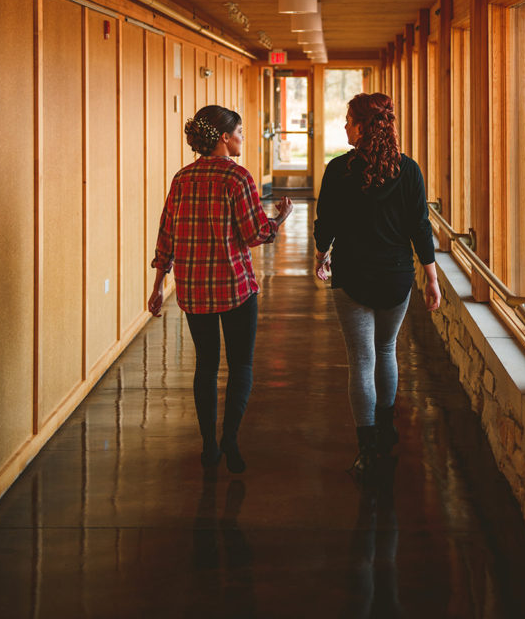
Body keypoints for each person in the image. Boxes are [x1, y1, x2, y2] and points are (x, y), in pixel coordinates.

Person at [149, 104, 293, 473]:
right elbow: (254, 233)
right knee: (241, 364)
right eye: (240, 132)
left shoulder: (182, 179)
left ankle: (208, 446)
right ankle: (231, 436)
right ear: (225, 138)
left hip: (193, 289)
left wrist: (156, 285)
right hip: (235, 288)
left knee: (206, 367)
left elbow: (167, 233)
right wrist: (280, 219)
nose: (243, 138)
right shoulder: (238, 178)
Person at [313, 92, 441, 476]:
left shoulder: (338, 170)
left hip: (352, 276)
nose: (345, 125)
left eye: (349, 119)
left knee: (361, 360)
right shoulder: (409, 171)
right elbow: (420, 226)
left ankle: (366, 447)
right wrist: (431, 278)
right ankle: (386, 430)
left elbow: (325, 224)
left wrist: (322, 256)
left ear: (365, 125)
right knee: (386, 351)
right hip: (397, 276)